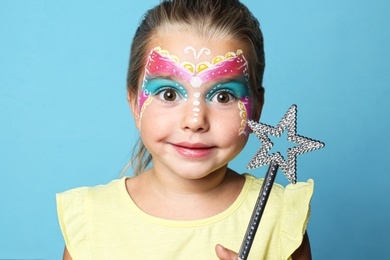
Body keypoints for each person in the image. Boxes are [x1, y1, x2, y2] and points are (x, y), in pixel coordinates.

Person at [56, 0, 314, 259]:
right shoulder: (91, 221)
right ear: (135, 104)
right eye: (168, 94)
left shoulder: (280, 218)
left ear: (256, 109)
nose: (195, 120)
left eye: (223, 96)